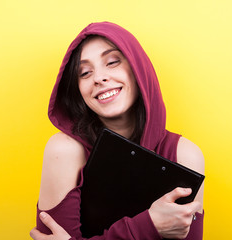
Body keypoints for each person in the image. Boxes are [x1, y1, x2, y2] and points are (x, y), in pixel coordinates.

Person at [30, 22, 204, 240]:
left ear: (138, 68)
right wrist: (149, 226)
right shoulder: (63, 151)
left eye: (112, 62)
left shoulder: (185, 156)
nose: (99, 78)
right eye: (84, 73)